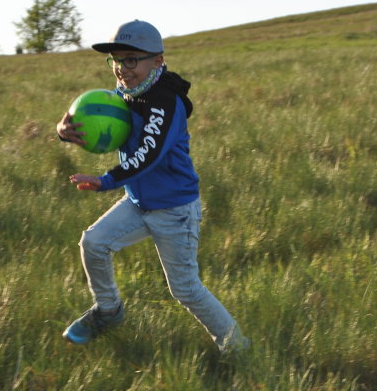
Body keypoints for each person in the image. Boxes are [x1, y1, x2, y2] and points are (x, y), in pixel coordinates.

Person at [56, 20, 249, 353]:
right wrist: (63, 130)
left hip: (174, 210)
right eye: (117, 59)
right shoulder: (127, 94)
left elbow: (150, 155)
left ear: (157, 61)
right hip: (139, 202)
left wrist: (106, 181)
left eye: (132, 59)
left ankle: (238, 348)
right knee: (93, 242)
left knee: (186, 290)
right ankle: (108, 310)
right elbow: (96, 118)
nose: (122, 68)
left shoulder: (165, 102)